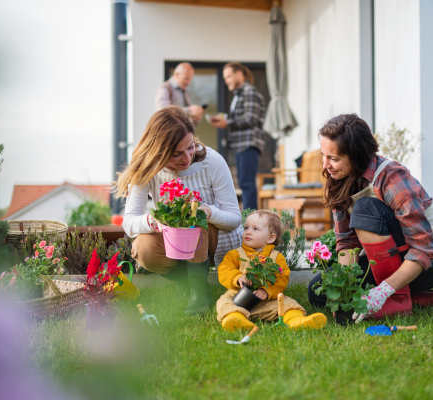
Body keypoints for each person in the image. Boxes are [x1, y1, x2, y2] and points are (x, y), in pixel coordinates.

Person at [308, 113, 433, 322]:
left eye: (334, 159)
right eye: (324, 156)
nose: (325, 165)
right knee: (317, 292)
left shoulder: (392, 177)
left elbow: (424, 249)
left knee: (365, 207)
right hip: (385, 262)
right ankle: (416, 298)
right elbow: (347, 243)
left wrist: (382, 291)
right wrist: (344, 288)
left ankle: (397, 298)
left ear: (357, 156)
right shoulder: (339, 180)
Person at [114, 105, 243, 315]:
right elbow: (129, 223)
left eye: (190, 147)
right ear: (159, 151)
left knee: (194, 219)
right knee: (143, 249)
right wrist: (153, 221)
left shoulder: (212, 161)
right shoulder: (147, 168)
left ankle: (200, 294)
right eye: (176, 154)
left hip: (213, 239)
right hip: (173, 241)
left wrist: (208, 212)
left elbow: (234, 219)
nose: (187, 158)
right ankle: (185, 284)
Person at [216, 210, 327, 331]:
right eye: (246, 227)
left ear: (270, 238)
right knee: (224, 302)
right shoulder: (235, 254)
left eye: (255, 229)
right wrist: (237, 277)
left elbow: (282, 278)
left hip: (267, 302)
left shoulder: (276, 258)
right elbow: (224, 270)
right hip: (238, 298)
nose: (248, 232)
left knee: (289, 304)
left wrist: (267, 291)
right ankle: (236, 319)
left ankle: (296, 320)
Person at [208, 62, 266, 211]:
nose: (226, 81)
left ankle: (250, 221)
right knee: (244, 183)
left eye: (228, 76)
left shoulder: (249, 92)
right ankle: (249, 220)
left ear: (239, 73)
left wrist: (227, 121)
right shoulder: (239, 94)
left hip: (248, 144)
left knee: (247, 184)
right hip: (241, 144)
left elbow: (250, 118)